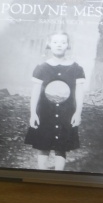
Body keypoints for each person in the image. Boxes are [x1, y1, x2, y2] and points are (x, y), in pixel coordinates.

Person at [25, 32, 85, 171]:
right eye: (55, 42)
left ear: (68, 45)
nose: (59, 45)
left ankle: (59, 173)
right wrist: (33, 113)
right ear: (49, 44)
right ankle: (42, 173)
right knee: (43, 144)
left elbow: (79, 93)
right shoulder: (42, 67)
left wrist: (78, 113)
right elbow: (35, 92)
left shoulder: (76, 68)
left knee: (61, 146)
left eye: (63, 42)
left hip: (66, 112)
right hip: (45, 112)